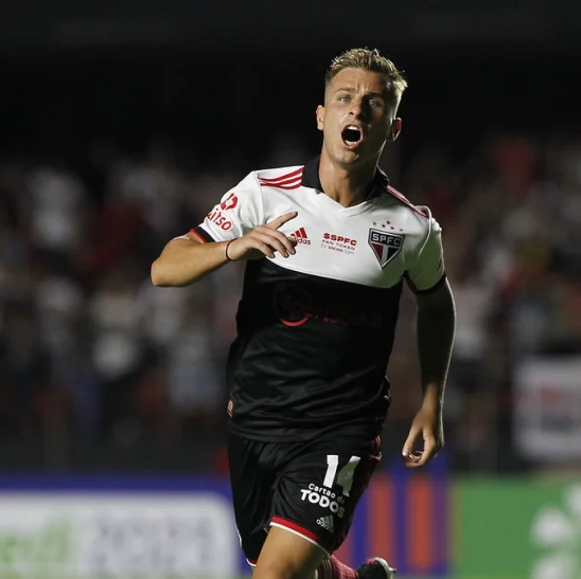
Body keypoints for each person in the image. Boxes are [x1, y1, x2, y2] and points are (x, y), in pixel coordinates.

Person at [151, 47, 455, 579]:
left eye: (374, 104)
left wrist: (432, 400)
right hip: (255, 418)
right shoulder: (264, 193)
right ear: (322, 116)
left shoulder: (411, 228)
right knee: (284, 566)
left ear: (393, 127)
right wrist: (232, 247)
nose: (356, 111)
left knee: (274, 576)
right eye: (344, 98)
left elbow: (436, 303)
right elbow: (164, 268)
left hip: (340, 428)